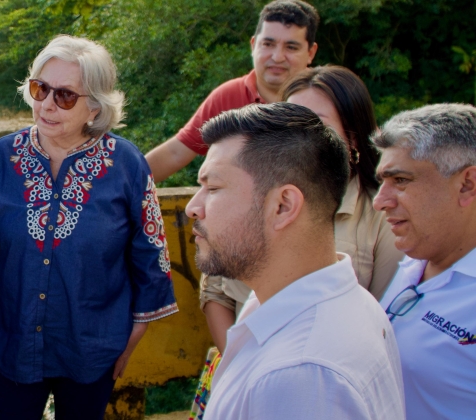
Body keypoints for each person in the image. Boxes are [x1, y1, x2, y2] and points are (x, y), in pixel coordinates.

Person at [0, 35, 179, 420]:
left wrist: (131, 338)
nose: (46, 104)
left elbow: (150, 253)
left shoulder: (126, 164)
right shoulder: (3, 157)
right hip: (15, 340)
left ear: (94, 106)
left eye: (65, 96)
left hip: (93, 346)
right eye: (40, 89)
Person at [188, 103, 404, 419]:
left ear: (283, 206)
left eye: (214, 188)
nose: (194, 207)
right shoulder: (295, 300)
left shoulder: (299, 376)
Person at [199, 66, 406, 354]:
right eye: (286, 125)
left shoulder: (382, 214)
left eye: (314, 127)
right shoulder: (248, 195)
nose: (294, 139)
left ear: (353, 139)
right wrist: (239, 360)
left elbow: (386, 315)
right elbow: (216, 291)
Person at [373, 104, 476, 419]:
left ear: (467, 184)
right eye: (382, 181)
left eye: (401, 180)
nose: (380, 201)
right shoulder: (417, 260)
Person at [145, 0, 319, 182]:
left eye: (291, 47)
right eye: (268, 44)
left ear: (311, 53)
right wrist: (121, 185)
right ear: (253, 45)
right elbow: (175, 153)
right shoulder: (228, 97)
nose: (277, 57)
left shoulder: (329, 98)